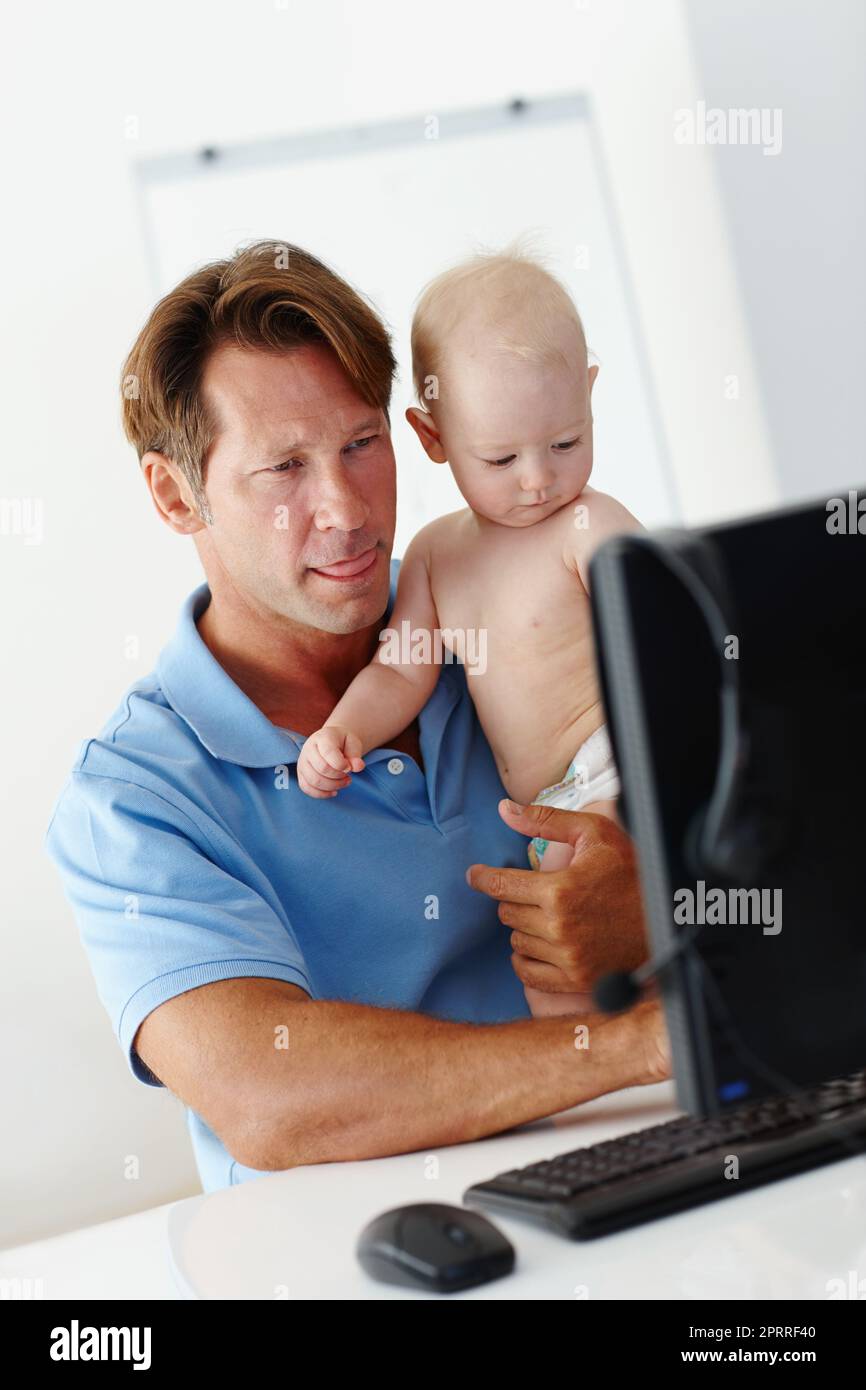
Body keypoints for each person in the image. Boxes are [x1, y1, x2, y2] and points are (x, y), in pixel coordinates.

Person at [44, 240, 670, 1193]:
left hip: (642, 1195)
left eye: (359, 443)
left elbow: (784, 857)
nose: (345, 508)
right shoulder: (131, 801)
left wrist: (660, 906)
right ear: (178, 496)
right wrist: (634, 1045)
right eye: (283, 468)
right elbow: (268, 1094)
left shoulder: (507, 623)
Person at [296, 247, 641, 1017]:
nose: (538, 478)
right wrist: (344, 731)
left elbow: (669, 632)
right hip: (549, 807)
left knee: (633, 935)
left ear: (589, 395)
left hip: (621, 765)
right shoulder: (435, 556)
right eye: (500, 456)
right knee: (551, 974)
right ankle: (610, 1124)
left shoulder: (588, 525)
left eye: (565, 442)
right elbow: (401, 671)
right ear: (432, 436)